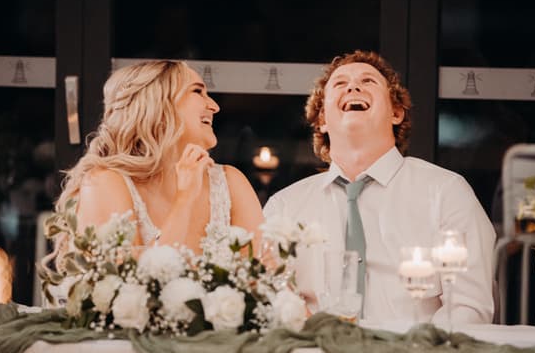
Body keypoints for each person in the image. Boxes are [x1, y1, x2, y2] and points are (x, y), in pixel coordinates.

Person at [263, 50, 496, 324]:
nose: (353, 86)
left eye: (368, 81)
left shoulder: (446, 192)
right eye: (339, 84)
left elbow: (470, 306)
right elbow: (269, 303)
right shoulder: (285, 207)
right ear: (322, 120)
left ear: (396, 112)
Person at [56, 60, 264, 254]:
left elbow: (263, 275)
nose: (214, 106)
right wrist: (185, 199)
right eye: (198, 91)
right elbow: (131, 288)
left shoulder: (230, 181)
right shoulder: (105, 182)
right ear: (158, 103)